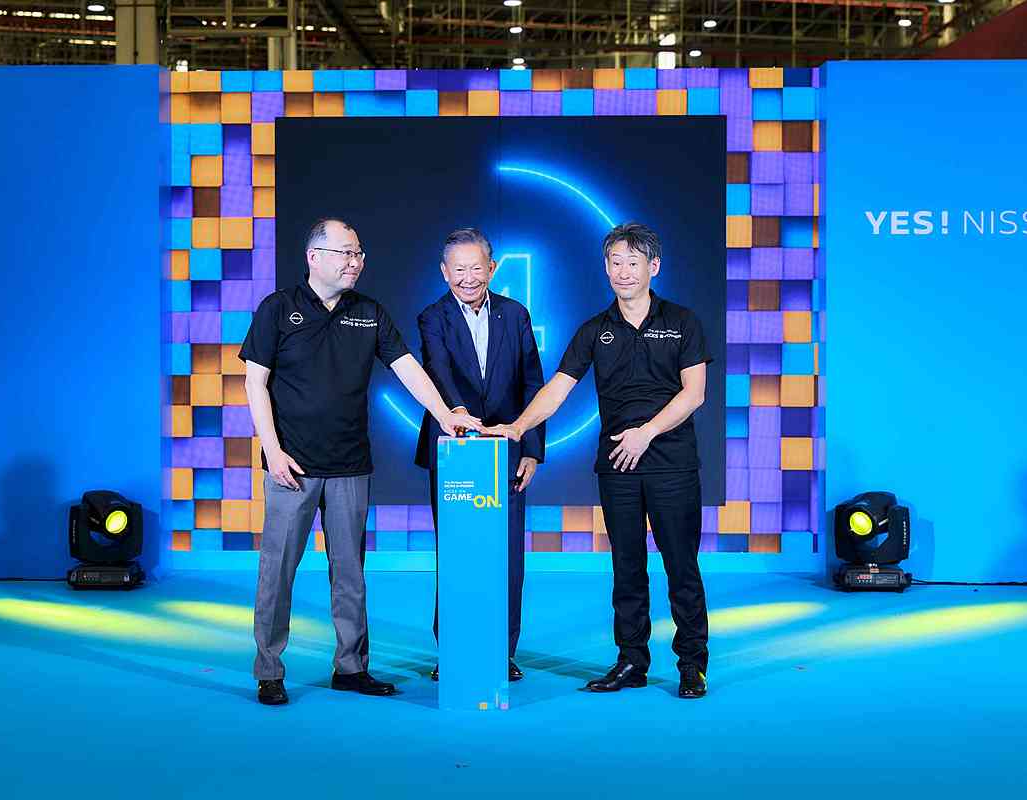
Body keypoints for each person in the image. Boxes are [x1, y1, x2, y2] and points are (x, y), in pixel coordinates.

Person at [240, 218, 482, 706]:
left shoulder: (369, 313)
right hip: (291, 466)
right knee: (277, 572)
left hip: (350, 463)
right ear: (314, 257)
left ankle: (351, 667)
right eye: (345, 253)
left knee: (350, 573)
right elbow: (254, 382)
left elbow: (408, 369)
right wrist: (272, 450)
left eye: (358, 254)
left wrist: (445, 414)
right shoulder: (278, 309)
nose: (354, 262)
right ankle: (269, 669)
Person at [485, 222, 712, 699]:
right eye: (615, 262)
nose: (623, 272)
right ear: (605, 267)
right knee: (626, 568)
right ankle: (631, 661)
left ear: (654, 267)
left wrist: (646, 433)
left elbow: (694, 394)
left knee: (681, 568)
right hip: (617, 468)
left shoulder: (683, 321)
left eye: (633, 262)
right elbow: (558, 388)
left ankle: (692, 665)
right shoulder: (595, 329)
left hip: (672, 465)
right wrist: (518, 427)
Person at [415, 227, 545, 683]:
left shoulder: (516, 313)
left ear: (491, 269)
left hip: (507, 450)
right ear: (444, 272)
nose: (468, 277)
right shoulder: (432, 317)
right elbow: (437, 371)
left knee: (507, 556)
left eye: (476, 268)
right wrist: (458, 415)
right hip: (454, 449)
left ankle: (501, 651)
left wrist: (532, 449)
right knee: (456, 553)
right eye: (459, 269)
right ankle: (452, 649)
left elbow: (533, 382)